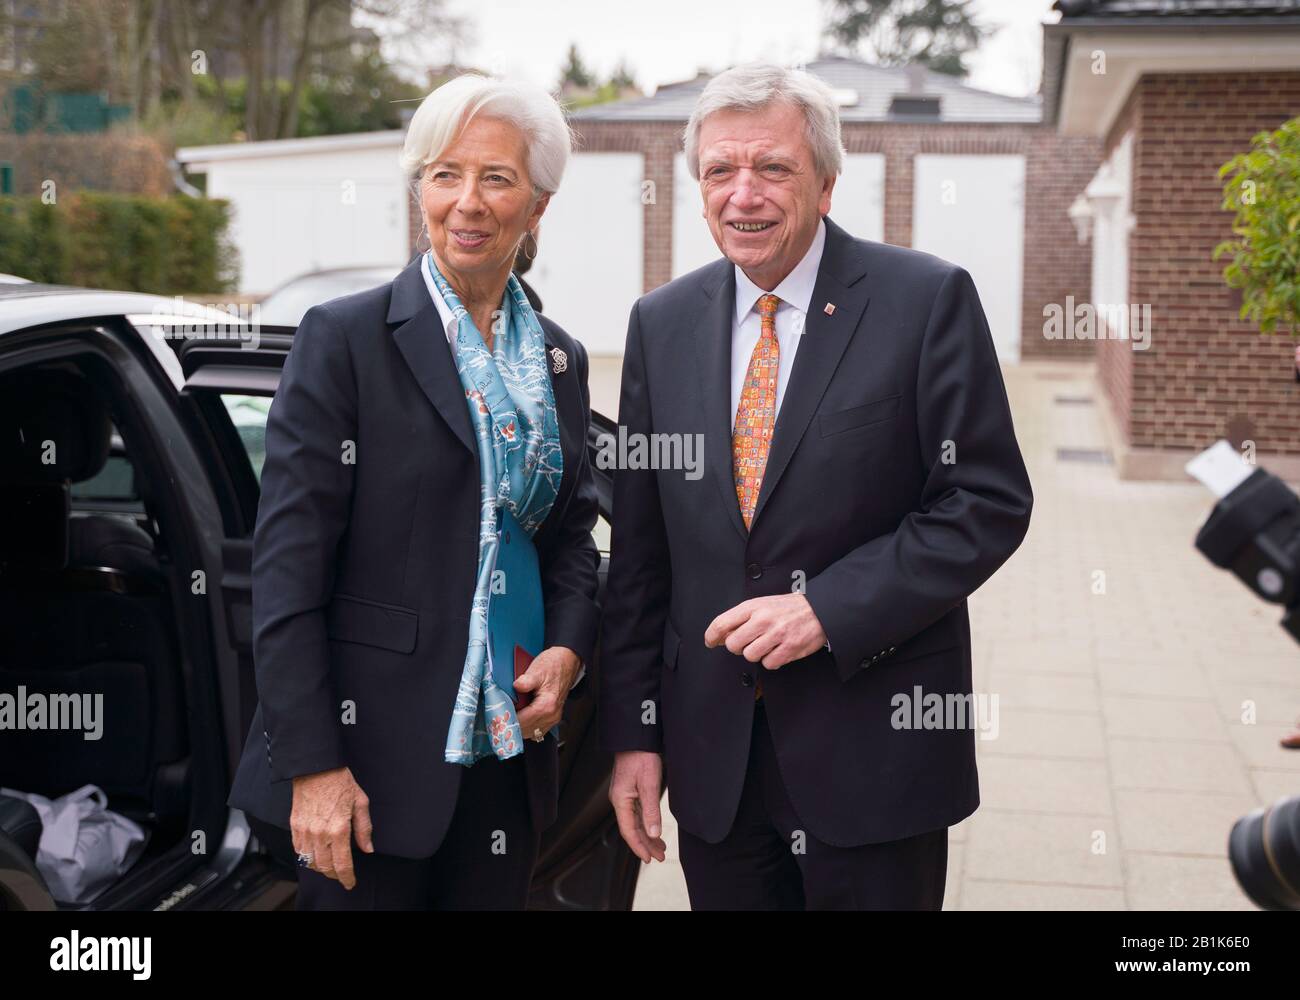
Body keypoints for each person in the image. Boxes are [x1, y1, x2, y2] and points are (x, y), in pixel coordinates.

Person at [598, 64, 1033, 910]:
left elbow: (985, 501)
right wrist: (636, 736)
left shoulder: (925, 299)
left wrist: (826, 609)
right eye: (719, 171)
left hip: (875, 750)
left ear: (826, 183)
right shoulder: (660, 323)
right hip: (716, 762)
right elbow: (644, 556)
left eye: (773, 169)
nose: (743, 194)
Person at [227, 73, 600, 910]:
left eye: (496, 178)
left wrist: (570, 650)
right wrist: (315, 768)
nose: (466, 202)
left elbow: (571, 535)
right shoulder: (344, 340)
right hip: (366, 770)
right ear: (420, 190)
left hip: (505, 760)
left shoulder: (559, 360)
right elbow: (285, 575)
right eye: (444, 174)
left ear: (536, 207)